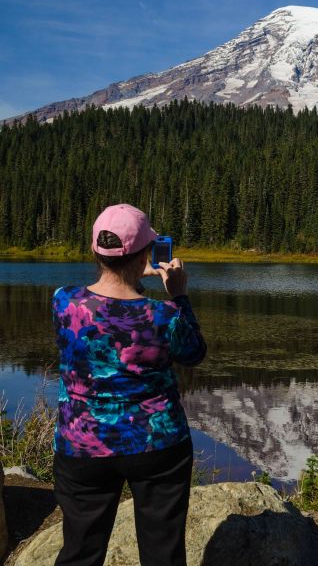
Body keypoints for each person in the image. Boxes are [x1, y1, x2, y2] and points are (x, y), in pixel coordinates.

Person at [52, 203, 206, 566]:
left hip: (82, 444)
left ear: (95, 251)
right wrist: (179, 296)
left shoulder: (64, 301)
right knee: (162, 553)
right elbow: (194, 352)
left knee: (80, 551)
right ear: (145, 257)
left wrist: (132, 273)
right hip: (157, 445)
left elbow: (108, 305)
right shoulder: (165, 316)